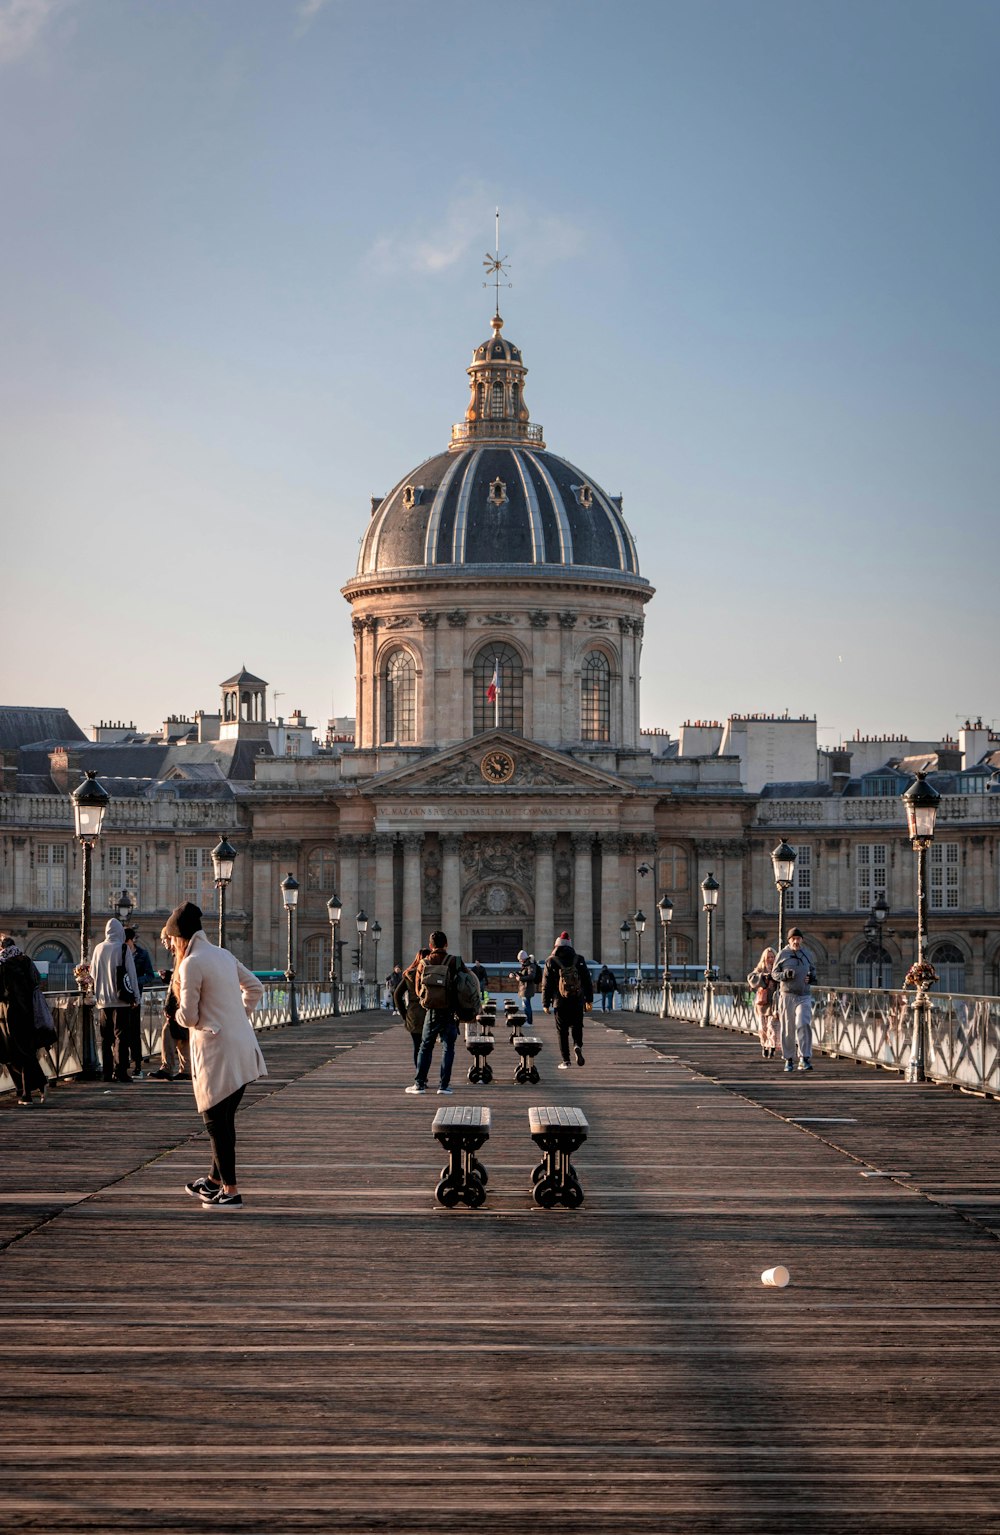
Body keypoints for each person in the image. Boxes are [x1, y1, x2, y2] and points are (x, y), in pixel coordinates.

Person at [166, 901, 266, 1210]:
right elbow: (256, 987)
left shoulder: (191, 963)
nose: (169, 945)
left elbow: (191, 1017)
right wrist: (238, 1015)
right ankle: (212, 1181)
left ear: (179, 936)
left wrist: (174, 1014)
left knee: (215, 1123)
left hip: (215, 1050)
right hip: (242, 1047)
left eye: (170, 940)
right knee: (225, 1119)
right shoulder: (223, 954)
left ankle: (231, 1191)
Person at [405, 930, 465, 1096]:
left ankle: (419, 1084)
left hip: (431, 1012)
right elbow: (467, 984)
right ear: (446, 944)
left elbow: (418, 990)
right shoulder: (455, 961)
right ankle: (444, 1086)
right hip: (450, 1011)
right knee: (448, 1048)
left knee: (425, 1047)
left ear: (430, 946)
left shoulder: (424, 963)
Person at [90, 917, 141, 1083]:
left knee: (106, 1039)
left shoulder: (98, 949)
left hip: (104, 1000)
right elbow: (131, 975)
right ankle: (120, 1071)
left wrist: (96, 995)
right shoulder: (123, 948)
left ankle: (106, 1073)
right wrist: (136, 997)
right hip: (122, 1000)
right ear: (120, 932)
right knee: (121, 1037)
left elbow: (93, 975)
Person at [0, 936, 48, 1106]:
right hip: (28, 1012)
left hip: (7, 1015)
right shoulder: (27, 960)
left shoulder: (2, 964)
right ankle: (30, 1089)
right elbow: (36, 983)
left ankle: (26, 1091)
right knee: (26, 1052)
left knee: (10, 1054)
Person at [542, 931, 593, 1070]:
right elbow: (587, 981)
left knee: (562, 1030)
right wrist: (589, 1000)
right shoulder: (579, 959)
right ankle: (577, 1045)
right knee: (577, 1025)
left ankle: (566, 1060)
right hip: (577, 1000)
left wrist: (545, 1003)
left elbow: (546, 985)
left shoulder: (551, 961)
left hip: (560, 1002)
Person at [771, 928, 818, 1073]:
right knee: (788, 1028)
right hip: (787, 995)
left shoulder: (807, 954)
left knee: (803, 1024)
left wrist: (811, 978)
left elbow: (813, 972)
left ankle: (804, 1058)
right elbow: (774, 974)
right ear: (789, 940)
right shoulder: (782, 954)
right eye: (793, 939)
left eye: (798, 938)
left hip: (804, 995)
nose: (796, 941)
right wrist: (784, 975)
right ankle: (789, 1059)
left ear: (802, 940)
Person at [124, 926, 156, 1078]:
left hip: (135, 999)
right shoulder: (120, 953)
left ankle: (137, 1064)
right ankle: (123, 1064)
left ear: (130, 940)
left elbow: (150, 975)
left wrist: (136, 981)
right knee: (122, 1033)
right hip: (122, 998)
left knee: (135, 1033)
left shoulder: (143, 954)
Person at [393, 950, 427, 1070]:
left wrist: (404, 1014)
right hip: (430, 1013)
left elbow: (397, 995)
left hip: (414, 1014)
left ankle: (420, 1077)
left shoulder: (410, 974)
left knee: (417, 1046)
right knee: (427, 1047)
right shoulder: (435, 973)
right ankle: (424, 1075)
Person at [747, 946, 779, 1058]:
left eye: (772, 957)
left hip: (774, 1002)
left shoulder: (778, 968)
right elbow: (751, 978)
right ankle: (764, 1045)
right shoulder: (760, 968)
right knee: (763, 1027)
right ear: (764, 958)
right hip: (762, 1002)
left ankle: (772, 1047)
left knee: (772, 1026)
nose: (770, 959)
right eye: (768, 957)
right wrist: (763, 977)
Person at [510, 949, 537, 1025]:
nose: (519, 961)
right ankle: (528, 1021)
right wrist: (514, 974)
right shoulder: (525, 965)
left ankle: (528, 1021)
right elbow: (522, 973)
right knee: (526, 1005)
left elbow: (532, 976)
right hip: (524, 989)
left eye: (520, 959)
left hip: (527, 989)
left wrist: (520, 978)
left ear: (523, 958)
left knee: (526, 1006)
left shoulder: (530, 965)